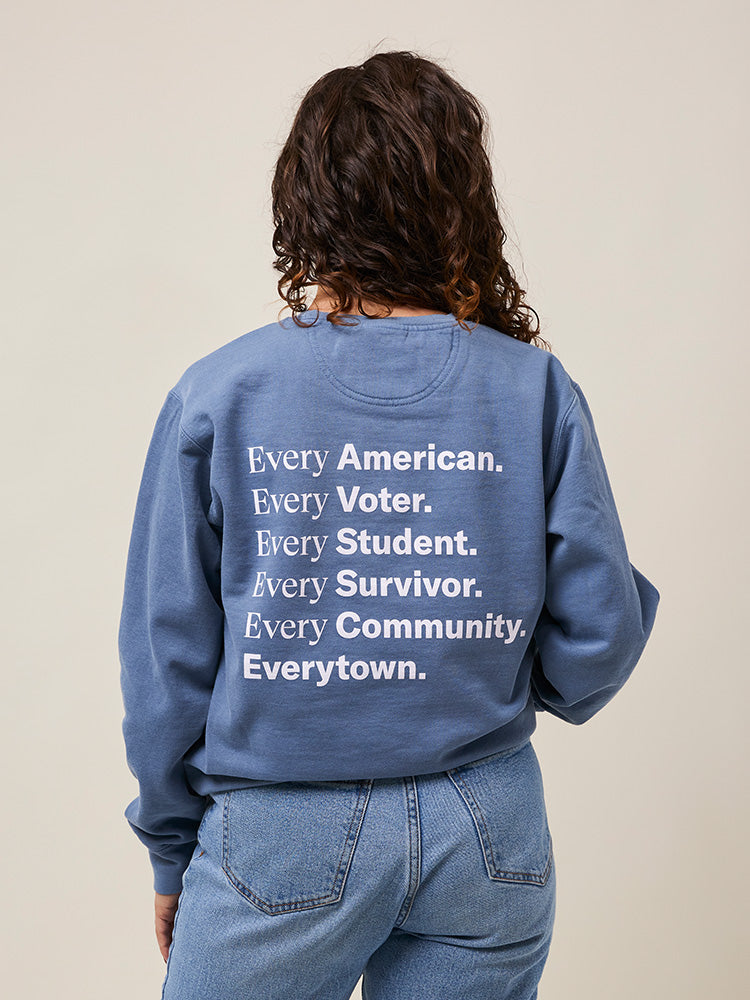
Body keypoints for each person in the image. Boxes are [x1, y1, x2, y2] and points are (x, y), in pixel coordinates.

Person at [118, 48, 660, 1000]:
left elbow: (167, 654)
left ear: (305, 203)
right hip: (487, 823)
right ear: (462, 202)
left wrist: (170, 844)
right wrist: (489, 673)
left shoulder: (220, 392)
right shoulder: (532, 388)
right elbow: (601, 630)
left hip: (281, 832)